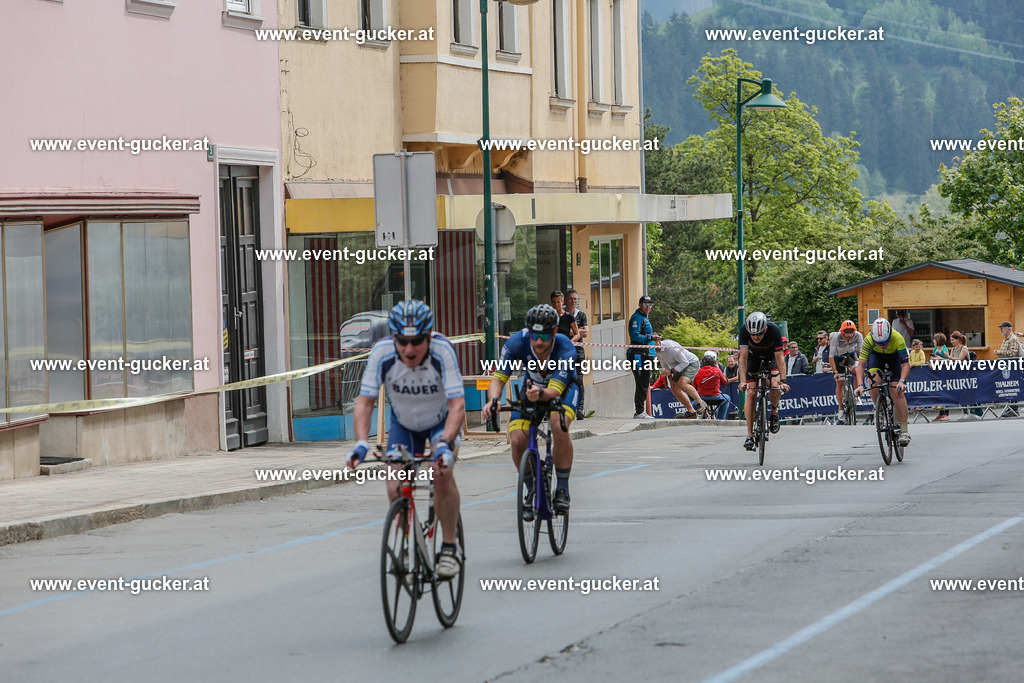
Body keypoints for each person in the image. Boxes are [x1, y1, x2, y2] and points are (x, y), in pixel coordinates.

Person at [346, 300, 465, 579]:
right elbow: (364, 403)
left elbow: (458, 405)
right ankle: (408, 544)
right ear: (393, 337)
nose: (409, 349)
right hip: (405, 425)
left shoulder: (442, 350)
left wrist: (447, 442)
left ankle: (448, 547)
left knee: (441, 472)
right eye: (402, 341)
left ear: (428, 336)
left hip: (440, 422)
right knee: (394, 484)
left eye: (416, 342)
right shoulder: (382, 352)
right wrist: (361, 443)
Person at [481, 304, 578, 514]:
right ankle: (531, 489)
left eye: (544, 336)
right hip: (531, 389)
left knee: (558, 426)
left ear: (554, 332)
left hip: (563, 389)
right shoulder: (518, 342)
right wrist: (493, 400)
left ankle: (562, 488)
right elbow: (498, 378)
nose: (539, 342)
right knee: (517, 440)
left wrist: (541, 394)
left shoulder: (565, 347)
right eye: (535, 336)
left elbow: (555, 389)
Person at [855, 318, 911, 447]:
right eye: (879, 343)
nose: (882, 345)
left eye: (885, 342)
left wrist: (902, 382)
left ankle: (904, 431)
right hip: (876, 356)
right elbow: (861, 365)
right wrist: (859, 385)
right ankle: (880, 407)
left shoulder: (898, 338)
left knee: (896, 391)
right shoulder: (869, 339)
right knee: (873, 381)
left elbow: (905, 365)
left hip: (894, 357)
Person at [738, 312, 789, 451]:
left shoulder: (774, 330)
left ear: (765, 330)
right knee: (751, 394)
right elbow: (742, 358)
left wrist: (783, 381)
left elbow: (780, 359)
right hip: (753, 359)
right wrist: (743, 381)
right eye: (753, 335)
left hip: (772, 357)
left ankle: (774, 411)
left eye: (759, 334)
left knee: (774, 385)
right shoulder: (744, 330)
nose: (755, 337)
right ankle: (749, 435)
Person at [655, 339, 706, 418]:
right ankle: (691, 411)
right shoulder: (658, 352)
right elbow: (665, 366)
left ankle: (700, 402)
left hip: (690, 362)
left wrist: (671, 371)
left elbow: (685, 362)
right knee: (674, 388)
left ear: (658, 341)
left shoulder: (670, 348)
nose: (654, 349)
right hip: (677, 366)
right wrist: (671, 380)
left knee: (683, 383)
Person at [627, 295, 659, 418]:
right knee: (641, 383)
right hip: (638, 354)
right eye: (645, 304)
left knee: (645, 383)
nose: (648, 307)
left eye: (650, 305)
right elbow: (635, 336)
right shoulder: (637, 318)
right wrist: (650, 338)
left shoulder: (644, 318)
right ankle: (639, 412)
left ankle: (640, 411)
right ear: (640, 305)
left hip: (645, 354)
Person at [829, 320, 863, 424]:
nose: (849, 335)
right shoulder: (837, 337)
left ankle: (856, 394)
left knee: (857, 370)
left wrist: (863, 368)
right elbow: (831, 356)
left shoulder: (858, 336)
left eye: (851, 332)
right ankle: (841, 408)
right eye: (846, 332)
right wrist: (835, 372)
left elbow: (861, 353)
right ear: (842, 332)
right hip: (838, 357)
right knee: (840, 383)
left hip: (851, 355)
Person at [565, 288, 589, 419]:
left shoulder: (581, 315)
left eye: (575, 299)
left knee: (579, 380)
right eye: (571, 299)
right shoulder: (561, 315)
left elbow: (585, 333)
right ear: (565, 300)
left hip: (578, 352)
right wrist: (576, 331)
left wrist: (572, 331)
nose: (573, 301)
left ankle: (580, 408)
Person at [694, 351, 732, 419]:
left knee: (694, 404)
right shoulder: (717, 370)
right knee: (727, 398)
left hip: (701, 398)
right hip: (715, 397)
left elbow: (694, 387)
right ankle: (720, 419)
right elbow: (725, 383)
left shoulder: (698, 371)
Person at [931, 332, 951, 421]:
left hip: (945, 373)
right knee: (939, 393)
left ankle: (946, 413)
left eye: (934, 339)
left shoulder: (944, 350)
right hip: (937, 374)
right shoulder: (935, 349)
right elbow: (932, 358)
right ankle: (941, 413)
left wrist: (939, 360)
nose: (933, 341)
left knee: (946, 393)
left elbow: (948, 360)